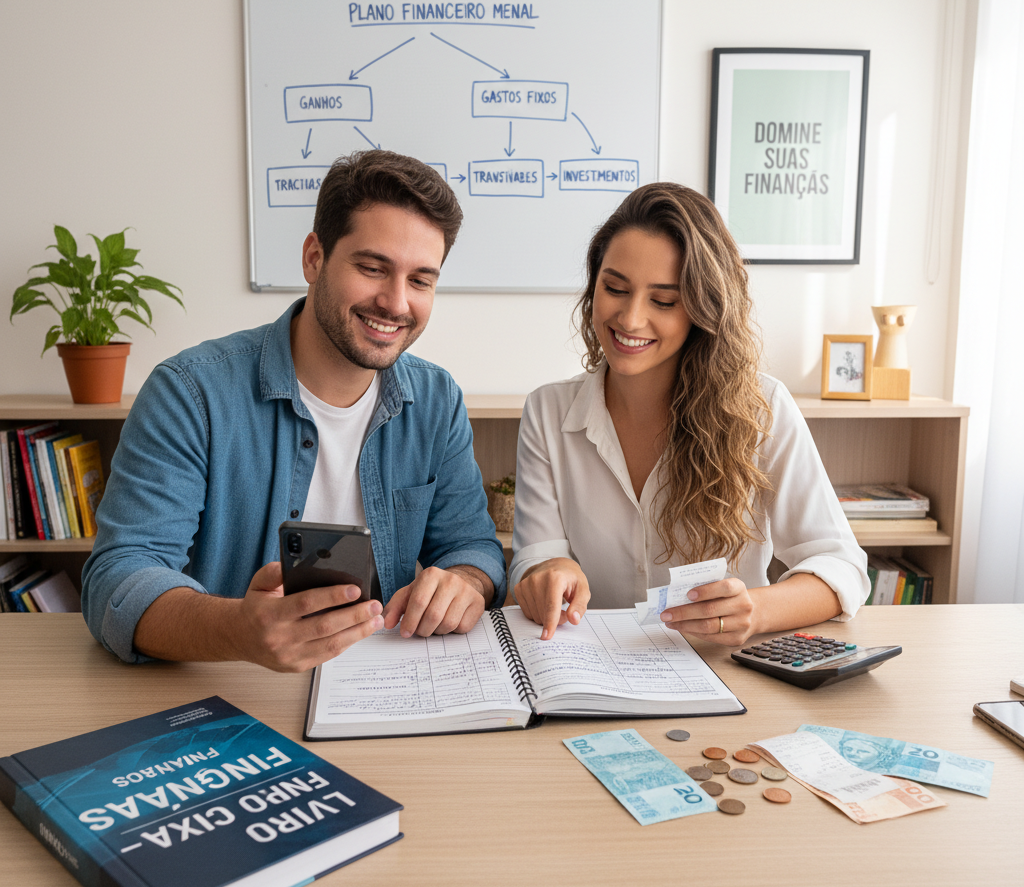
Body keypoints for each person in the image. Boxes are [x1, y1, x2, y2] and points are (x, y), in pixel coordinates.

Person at [82, 150, 507, 670]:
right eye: (373, 268)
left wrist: (465, 581)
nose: (397, 303)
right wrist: (237, 631)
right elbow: (119, 579)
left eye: (420, 280)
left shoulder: (437, 401)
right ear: (314, 258)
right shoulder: (189, 394)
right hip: (226, 685)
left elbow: (473, 547)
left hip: (383, 685)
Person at [510, 182, 869, 642]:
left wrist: (754, 611)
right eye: (614, 288)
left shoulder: (762, 408)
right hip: (593, 667)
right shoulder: (548, 411)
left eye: (664, 301)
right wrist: (548, 571)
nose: (630, 319)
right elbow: (534, 557)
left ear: (703, 308)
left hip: (725, 668)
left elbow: (842, 566)